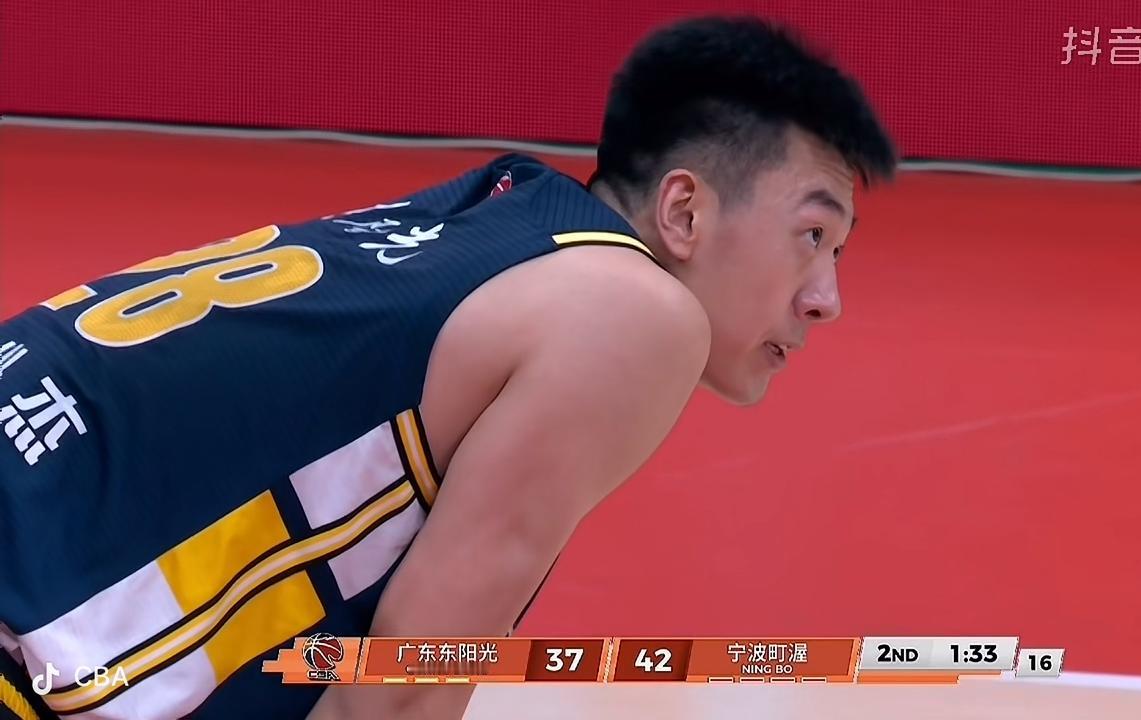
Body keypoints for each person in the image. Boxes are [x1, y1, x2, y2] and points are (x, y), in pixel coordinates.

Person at [0, 15, 894, 720]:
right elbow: (398, 691)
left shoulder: (503, 210)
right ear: (684, 212)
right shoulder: (637, 313)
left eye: (840, 252)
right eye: (811, 235)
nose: (825, 298)